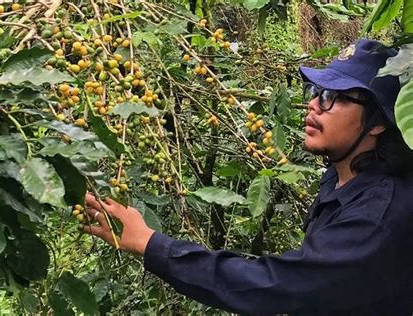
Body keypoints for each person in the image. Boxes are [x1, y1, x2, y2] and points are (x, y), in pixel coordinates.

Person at [82, 39, 413, 315]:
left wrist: (150, 244)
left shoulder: (379, 215)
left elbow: (277, 286)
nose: (313, 105)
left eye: (334, 98)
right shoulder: (343, 173)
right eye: (316, 91)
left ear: (378, 122)